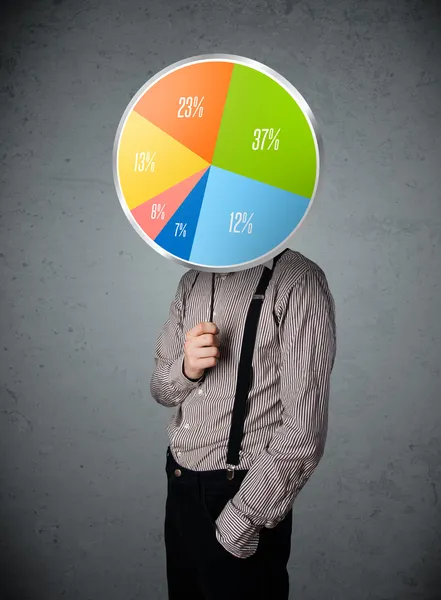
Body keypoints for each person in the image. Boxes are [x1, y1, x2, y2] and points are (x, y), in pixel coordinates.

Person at [150, 248, 337, 600]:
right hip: (180, 488)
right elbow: (161, 389)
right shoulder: (192, 282)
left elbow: (304, 431)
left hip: (242, 494)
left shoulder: (298, 280)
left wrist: (242, 520)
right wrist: (187, 369)